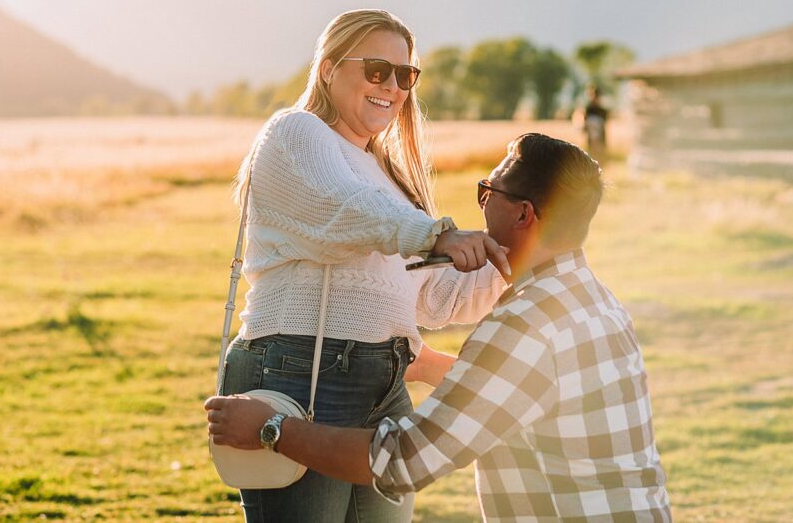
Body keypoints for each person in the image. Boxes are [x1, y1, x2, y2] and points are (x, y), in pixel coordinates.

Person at [207, 134, 672, 522]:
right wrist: (428, 365)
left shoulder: (522, 325)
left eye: (488, 192)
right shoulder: (595, 302)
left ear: (523, 214)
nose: (482, 206)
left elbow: (405, 458)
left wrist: (272, 430)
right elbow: (528, 392)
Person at [218, 8, 510, 523]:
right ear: (329, 69)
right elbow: (343, 210)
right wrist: (437, 232)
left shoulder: (388, 176)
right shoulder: (295, 133)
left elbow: (439, 299)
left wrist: (515, 256)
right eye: (377, 70)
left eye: (405, 75)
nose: (393, 87)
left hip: (386, 378)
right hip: (301, 370)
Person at [579, 85, 610, 161]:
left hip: (600, 139)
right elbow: (584, 125)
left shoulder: (602, 111)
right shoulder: (588, 109)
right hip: (591, 140)